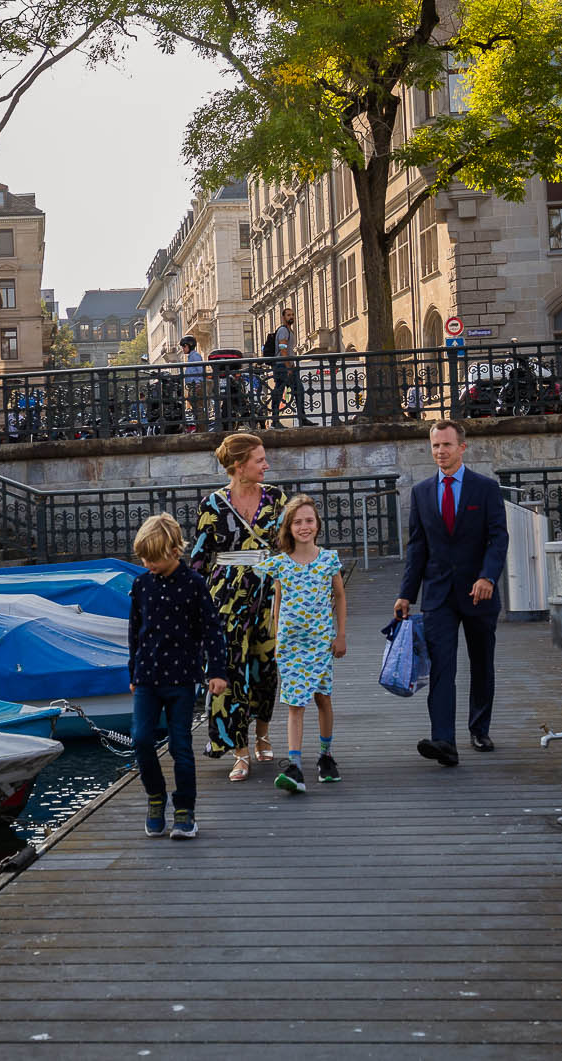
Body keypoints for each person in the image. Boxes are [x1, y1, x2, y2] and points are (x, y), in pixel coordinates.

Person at [394, 419, 509, 767]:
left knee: (481, 663)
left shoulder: (485, 489)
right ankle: (444, 741)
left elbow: (498, 538)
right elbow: (417, 547)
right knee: (442, 667)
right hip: (438, 595)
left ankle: (479, 728)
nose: (440, 451)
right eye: (435, 445)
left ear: (462, 447)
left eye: (446, 444)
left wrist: (488, 577)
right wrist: (406, 594)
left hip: (479, 593)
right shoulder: (422, 492)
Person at [188, 431, 285, 779]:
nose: (266, 465)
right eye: (260, 460)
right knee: (228, 670)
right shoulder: (211, 505)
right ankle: (238, 750)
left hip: (268, 592)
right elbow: (199, 558)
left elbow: (287, 548)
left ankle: (262, 734)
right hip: (226, 598)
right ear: (239, 465)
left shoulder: (276, 498)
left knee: (265, 668)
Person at [129, 514, 228, 840]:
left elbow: (212, 630)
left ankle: (185, 810)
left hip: (182, 679)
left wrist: (217, 671)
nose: (147, 564)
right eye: (143, 559)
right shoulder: (141, 585)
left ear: (174, 551)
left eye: (153, 559)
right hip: (147, 677)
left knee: (180, 745)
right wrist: (132, 671)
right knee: (141, 739)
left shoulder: (194, 584)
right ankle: (156, 797)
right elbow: (135, 632)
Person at [254, 494, 347, 793]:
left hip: (320, 642)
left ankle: (326, 756)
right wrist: (276, 637)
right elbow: (277, 602)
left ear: (317, 524)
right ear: (289, 528)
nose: (304, 527)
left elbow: (340, 596)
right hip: (291, 645)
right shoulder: (280, 564)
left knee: (322, 697)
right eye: (297, 522)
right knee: (295, 703)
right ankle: (294, 766)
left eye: (309, 521)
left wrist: (341, 634)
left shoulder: (328, 560)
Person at [269, 306, 310, 427]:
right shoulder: (283, 331)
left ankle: (278, 420)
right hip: (283, 366)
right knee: (290, 391)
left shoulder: (289, 331)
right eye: (288, 315)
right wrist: (288, 367)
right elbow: (283, 349)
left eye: (292, 315)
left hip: (285, 365)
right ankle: (278, 420)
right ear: (283, 317)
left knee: (286, 391)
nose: (291, 317)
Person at [181, 335, 207, 430]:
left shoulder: (195, 356)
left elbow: (200, 370)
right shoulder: (191, 357)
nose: (183, 349)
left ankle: (202, 429)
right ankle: (199, 427)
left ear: (189, 345)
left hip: (196, 386)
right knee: (196, 408)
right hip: (192, 386)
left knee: (198, 408)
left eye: (184, 346)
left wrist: (199, 383)